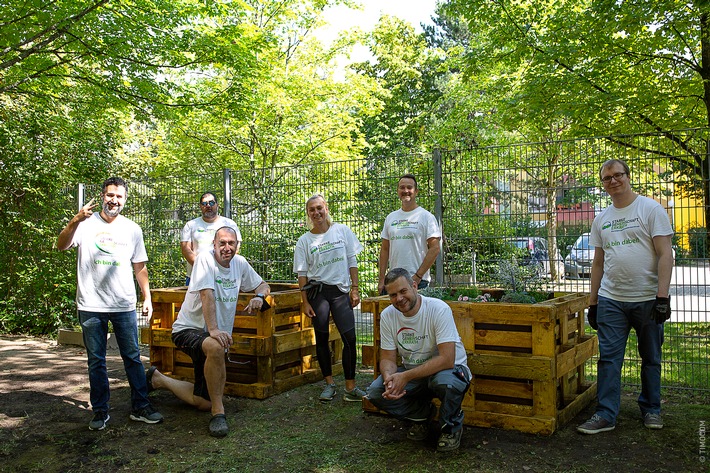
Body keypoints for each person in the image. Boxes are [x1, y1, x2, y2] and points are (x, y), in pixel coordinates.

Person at [56, 177, 163, 431]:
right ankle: (100, 411)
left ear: (125, 200)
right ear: (102, 196)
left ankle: (140, 406)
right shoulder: (84, 224)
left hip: (124, 305)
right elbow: (61, 245)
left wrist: (146, 297)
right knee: (96, 360)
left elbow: (140, 267)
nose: (114, 200)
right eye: (110, 195)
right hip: (91, 305)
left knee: (133, 358)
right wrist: (74, 220)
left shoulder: (132, 229)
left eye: (119, 196)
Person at [577, 159, 674, 435]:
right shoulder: (601, 219)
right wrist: (593, 302)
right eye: (607, 178)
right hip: (611, 300)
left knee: (651, 357)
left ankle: (652, 408)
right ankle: (605, 414)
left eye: (617, 175)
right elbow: (598, 263)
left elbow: (666, 253)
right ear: (603, 184)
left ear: (628, 176)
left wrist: (662, 297)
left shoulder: (650, 209)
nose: (613, 181)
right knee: (608, 359)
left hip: (648, 299)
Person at [147, 226, 270, 438]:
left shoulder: (240, 264)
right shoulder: (205, 260)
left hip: (211, 336)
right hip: (188, 330)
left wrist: (259, 297)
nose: (227, 248)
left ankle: (157, 379)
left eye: (231, 243)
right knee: (216, 346)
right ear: (214, 244)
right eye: (222, 243)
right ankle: (219, 414)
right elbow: (206, 294)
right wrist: (214, 329)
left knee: (202, 402)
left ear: (237, 245)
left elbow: (263, 285)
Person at [367, 268, 471, 452]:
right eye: (392, 295)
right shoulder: (388, 315)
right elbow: (387, 358)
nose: (399, 299)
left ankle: (451, 427)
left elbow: (447, 359)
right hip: (415, 373)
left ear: (414, 286)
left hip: (449, 370)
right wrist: (390, 378)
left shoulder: (438, 309)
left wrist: (405, 377)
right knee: (376, 391)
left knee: (445, 383)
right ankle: (422, 416)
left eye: (403, 291)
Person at [293, 194, 367, 403]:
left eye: (319, 208)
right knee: (322, 338)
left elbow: (352, 260)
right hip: (318, 294)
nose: (316, 213)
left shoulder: (342, 231)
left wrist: (355, 288)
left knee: (349, 339)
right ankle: (329, 384)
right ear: (308, 214)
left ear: (326, 208)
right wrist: (305, 302)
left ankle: (350, 387)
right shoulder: (304, 241)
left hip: (340, 292)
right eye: (311, 210)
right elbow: (302, 274)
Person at [378, 174, 441, 294]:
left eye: (409, 187)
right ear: (397, 191)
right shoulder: (391, 217)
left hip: (417, 281)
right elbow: (385, 249)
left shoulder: (426, 217)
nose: (405, 191)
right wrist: (381, 279)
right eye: (402, 187)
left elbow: (435, 248)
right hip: (393, 281)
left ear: (416, 191)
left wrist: (418, 276)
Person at [180, 192, 242, 285]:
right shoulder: (191, 225)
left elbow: (235, 247)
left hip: (223, 276)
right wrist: (201, 267)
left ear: (217, 204)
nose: (208, 206)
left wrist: (219, 267)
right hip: (196, 276)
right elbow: (185, 249)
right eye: (204, 204)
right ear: (200, 206)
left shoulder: (229, 224)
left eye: (211, 203)